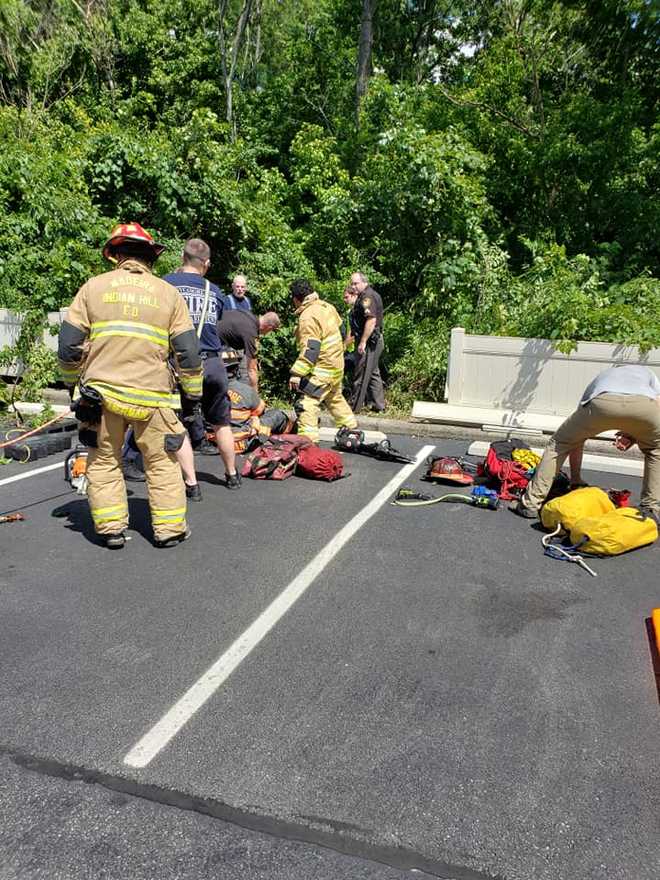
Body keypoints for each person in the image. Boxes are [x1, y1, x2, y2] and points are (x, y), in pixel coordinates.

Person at [58, 222, 203, 549]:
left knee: (103, 460)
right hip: (154, 398)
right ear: (150, 257)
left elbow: (68, 345)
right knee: (162, 463)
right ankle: (169, 530)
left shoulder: (93, 288)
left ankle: (111, 529)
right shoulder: (168, 294)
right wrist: (192, 395)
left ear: (116, 254)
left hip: (102, 397)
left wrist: (71, 385)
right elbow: (189, 352)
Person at [511, 364, 660, 524]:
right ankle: (651, 509)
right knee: (655, 451)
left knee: (559, 444)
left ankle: (531, 504)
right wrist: (633, 434)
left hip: (602, 402)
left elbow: (576, 440)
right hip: (645, 406)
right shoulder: (649, 374)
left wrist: (575, 479)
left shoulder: (604, 376)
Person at [164, 238, 241, 492]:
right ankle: (231, 475)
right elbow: (214, 321)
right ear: (206, 264)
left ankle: (192, 484)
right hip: (214, 364)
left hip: (180, 365)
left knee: (179, 424)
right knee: (221, 422)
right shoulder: (215, 291)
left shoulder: (166, 285)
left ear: (182, 257)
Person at [289, 278, 358, 444]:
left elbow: (311, 349)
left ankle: (308, 443)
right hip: (337, 365)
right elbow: (342, 331)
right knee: (334, 399)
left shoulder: (307, 316)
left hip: (323, 369)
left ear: (296, 299)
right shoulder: (327, 306)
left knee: (306, 403)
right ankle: (351, 432)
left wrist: (297, 374)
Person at [221, 349, 292, 452]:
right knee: (277, 415)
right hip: (240, 442)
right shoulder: (245, 390)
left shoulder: (205, 390)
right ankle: (286, 440)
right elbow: (259, 410)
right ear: (236, 369)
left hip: (215, 441)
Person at [347, 272, 386, 413]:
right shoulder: (364, 296)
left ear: (364, 282)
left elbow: (371, 320)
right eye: (352, 283)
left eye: (355, 283)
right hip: (371, 340)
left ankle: (354, 406)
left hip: (369, 341)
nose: (353, 286)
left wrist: (363, 341)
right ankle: (379, 405)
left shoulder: (367, 297)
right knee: (373, 372)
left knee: (361, 372)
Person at [216, 308, 280, 389]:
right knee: (231, 374)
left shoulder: (249, 316)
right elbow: (252, 369)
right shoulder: (251, 333)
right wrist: (254, 393)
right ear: (269, 327)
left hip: (211, 333)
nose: (268, 333)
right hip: (215, 344)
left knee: (237, 363)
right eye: (271, 330)